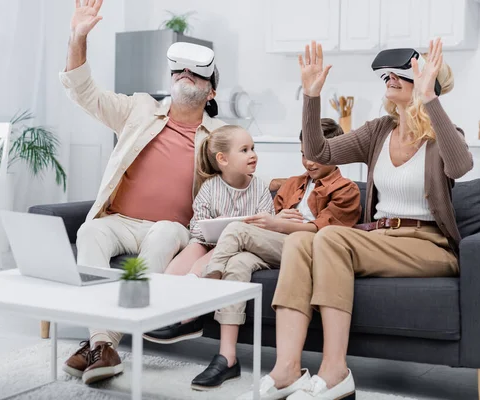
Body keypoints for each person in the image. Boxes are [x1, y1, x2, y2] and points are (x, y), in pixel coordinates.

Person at [239, 38, 473, 400]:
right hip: (379, 238)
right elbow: (319, 151)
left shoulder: (443, 135)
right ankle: (286, 370)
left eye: (401, 74)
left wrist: (430, 100)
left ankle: (335, 372)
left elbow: (460, 165)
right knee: (301, 240)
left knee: (330, 237)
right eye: (387, 75)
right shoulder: (379, 131)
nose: (390, 78)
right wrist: (311, 96)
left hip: (427, 244)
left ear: (427, 81)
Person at [59, 0, 225, 385]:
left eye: (196, 74)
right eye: (178, 70)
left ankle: (101, 344)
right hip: (118, 220)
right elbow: (82, 91)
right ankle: (105, 345)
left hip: (171, 228)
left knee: (166, 231)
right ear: (169, 79)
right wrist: (78, 36)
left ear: (211, 90)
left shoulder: (220, 136)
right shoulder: (137, 109)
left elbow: (241, 182)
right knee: (90, 231)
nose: (185, 75)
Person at [179, 118, 362, 391]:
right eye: (303, 154)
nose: (309, 162)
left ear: (336, 153)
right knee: (238, 263)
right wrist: (275, 220)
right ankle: (227, 356)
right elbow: (268, 225)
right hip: (276, 248)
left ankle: (204, 287)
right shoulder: (292, 185)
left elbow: (323, 233)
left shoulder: (347, 190)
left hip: (308, 251)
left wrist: (280, 223)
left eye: (318, 155)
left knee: (236, 229)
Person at [143, 124, 275, 345]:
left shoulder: (259, 188)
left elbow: (265, 227)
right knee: (174, 270)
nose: (253, 155)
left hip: (237, 247)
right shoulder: (210, 188)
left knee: (199, 267)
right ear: (223, 159)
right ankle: (162, 314)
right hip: (206, 241)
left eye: (253, 148)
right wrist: (211, 229)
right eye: (244, 150)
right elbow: (197, 226)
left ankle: (188, 319)